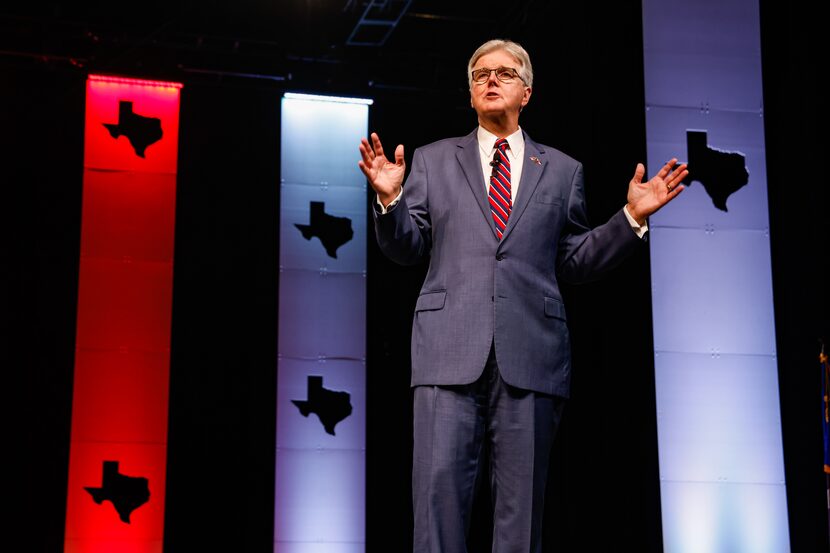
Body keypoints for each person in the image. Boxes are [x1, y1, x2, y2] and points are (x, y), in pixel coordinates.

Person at [358, 39, 687, 553]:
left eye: (504, 73)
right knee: (437, 512)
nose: (490, 80)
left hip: (531, 357)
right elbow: (406, 248)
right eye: (480, 74)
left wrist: (631, 219)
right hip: (447, 354)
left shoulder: (561, 170)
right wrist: (390, 199)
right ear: (470, 94)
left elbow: (574, 260)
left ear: (526, 92)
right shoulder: (431, 160)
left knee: (520, 523)